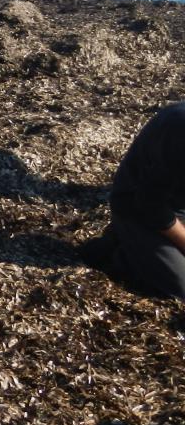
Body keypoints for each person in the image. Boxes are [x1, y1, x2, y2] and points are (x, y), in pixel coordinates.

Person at [79, 102, 185, 299]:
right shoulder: (180, 132)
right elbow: (151, 205)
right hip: (139, 205)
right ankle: (120, 249)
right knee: (181, 287)